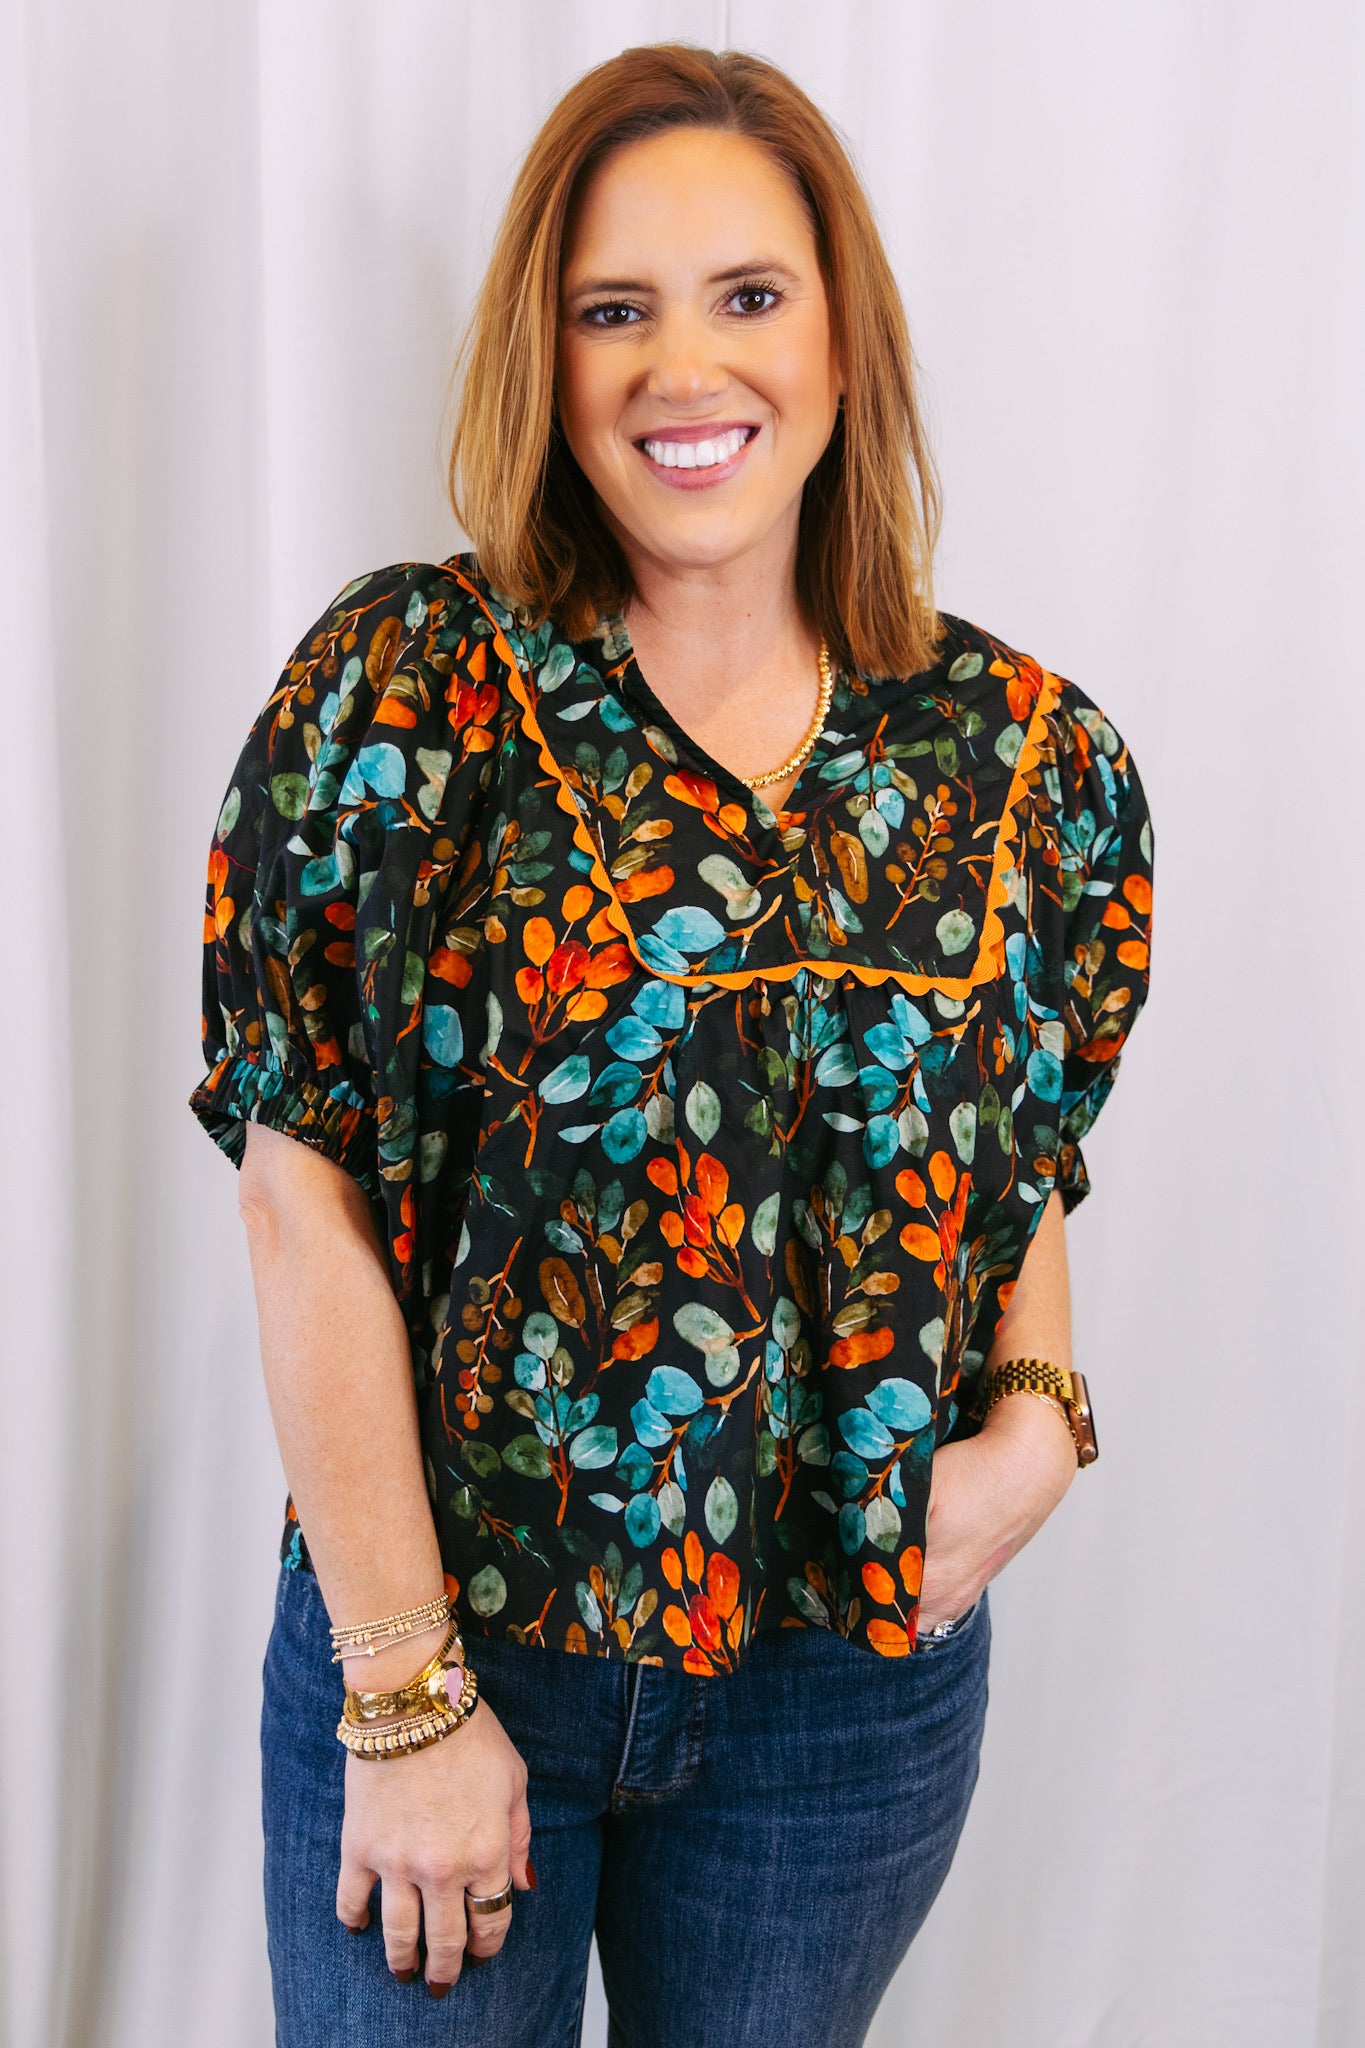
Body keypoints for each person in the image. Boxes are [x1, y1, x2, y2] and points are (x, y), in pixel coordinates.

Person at [189, 41, 1153, 2048]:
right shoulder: (402, 698)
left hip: (840, 1689)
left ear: (837, 334)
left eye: (744, 296)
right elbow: (303, 1201)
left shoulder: (1022, 761)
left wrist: (1041, 1414)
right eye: (610, 310)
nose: (676, 368)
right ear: (543, 359)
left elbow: (1010, 1160)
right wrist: (406, 1688)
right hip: (459, 1648)